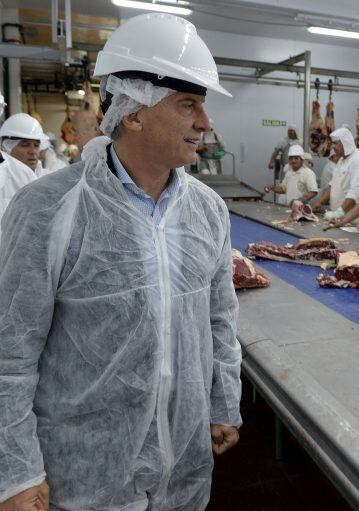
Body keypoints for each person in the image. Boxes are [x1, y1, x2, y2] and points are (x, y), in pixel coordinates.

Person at [0, 13, 242, 510]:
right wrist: (16, 470)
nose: (205, 123)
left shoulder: (208, 210)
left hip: (186, 467)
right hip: (86, 477)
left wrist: (224, 404)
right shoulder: (50, 208)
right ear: (133, 113)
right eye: (188, 105)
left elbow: (220, 319)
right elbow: (11, 350)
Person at [312, 127, 359, 219]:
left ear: (345, 143)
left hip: (353, 219)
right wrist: (321, 202)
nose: (332, 147)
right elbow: (332, 185)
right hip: (337, 217)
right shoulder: (341, 160)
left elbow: (357, 193)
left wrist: (338, 213)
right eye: (332, 143)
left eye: (335, 143)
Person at [0, 112, 49, 177]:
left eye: (36, 145)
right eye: (25, 145)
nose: (33, 152)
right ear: (6, 148)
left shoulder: (48, 178)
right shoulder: (3, 182)